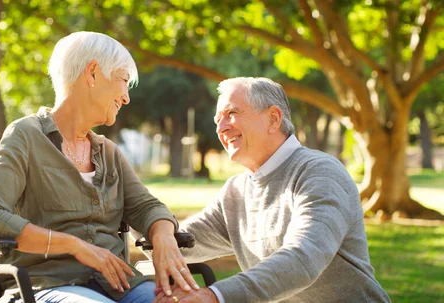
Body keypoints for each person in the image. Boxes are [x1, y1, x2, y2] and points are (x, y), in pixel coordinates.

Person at [0, 31, 198, 303]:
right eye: (123, 81)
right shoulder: (26, 135)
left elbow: (147, 207)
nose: (126, 97)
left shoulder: (108, 152)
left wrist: (163, 238)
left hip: (119, 284)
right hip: (48, 284)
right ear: (92, 74)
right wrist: (74, 246)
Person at [154, 77, 390, 303]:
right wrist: (137, 210)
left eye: (231, 114)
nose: (221, 128)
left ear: (273, 119)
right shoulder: (236, 191)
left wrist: (216, 296)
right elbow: (177, 245)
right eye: (218, 120)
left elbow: (304, 259)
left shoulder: (319, 172)